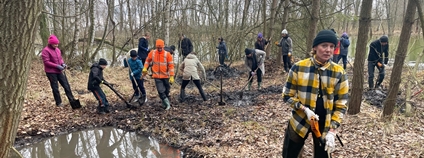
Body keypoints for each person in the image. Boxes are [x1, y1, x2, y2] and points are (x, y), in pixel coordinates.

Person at [282, 29, 349, 158]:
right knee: (289, 154)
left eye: (331, 46)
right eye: (324, 46)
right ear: (315, 47)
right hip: (300, 120)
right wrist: (304, 109)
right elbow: (286, 95)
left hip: (325, 123)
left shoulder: (339, 72)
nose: (328, 50)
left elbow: (341, 105)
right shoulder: (298, 67)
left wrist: (332, 131)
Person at [41, 34, 77, 107]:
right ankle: (59, 103)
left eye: (57, 44)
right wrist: (57, 66)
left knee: (66, 86)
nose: (56, 45)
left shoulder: (57, 50)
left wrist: (63, 64)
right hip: (51, 72)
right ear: (50, 43)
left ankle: (72, 100)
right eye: (55, 44)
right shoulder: (45, 50)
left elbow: (60, 59)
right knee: (55, 88)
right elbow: (46, 62)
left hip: (59, 71)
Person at [143, 39, 175, 110]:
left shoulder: (167, 54)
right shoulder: (152, 53)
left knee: (167, 90)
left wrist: (172, 76)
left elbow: (171, 66)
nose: (160, 49)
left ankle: (164, 102)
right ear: (156, 47)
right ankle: (167, 104)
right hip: (157, 76)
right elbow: (147, 60)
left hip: (166, 75)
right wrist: (145, 68)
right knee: (160, 91)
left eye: (161, 47)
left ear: (163, 46)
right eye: (158, 48)